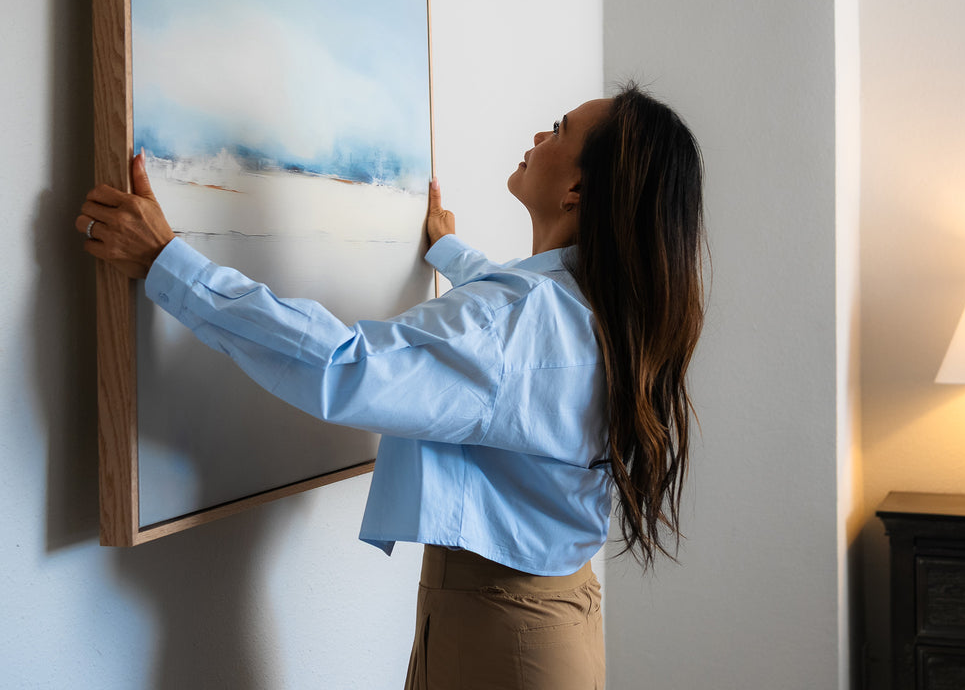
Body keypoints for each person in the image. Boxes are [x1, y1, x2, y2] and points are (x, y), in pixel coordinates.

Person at [77, 83, 706, 690]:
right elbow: (502, 342)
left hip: (500, 634)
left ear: (576, 189)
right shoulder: (599, 308)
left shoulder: (517, 320)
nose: (542, 134)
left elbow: (344, 365)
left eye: (561, 130)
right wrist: (452, 251)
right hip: (559, 616)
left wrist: (168, 263)